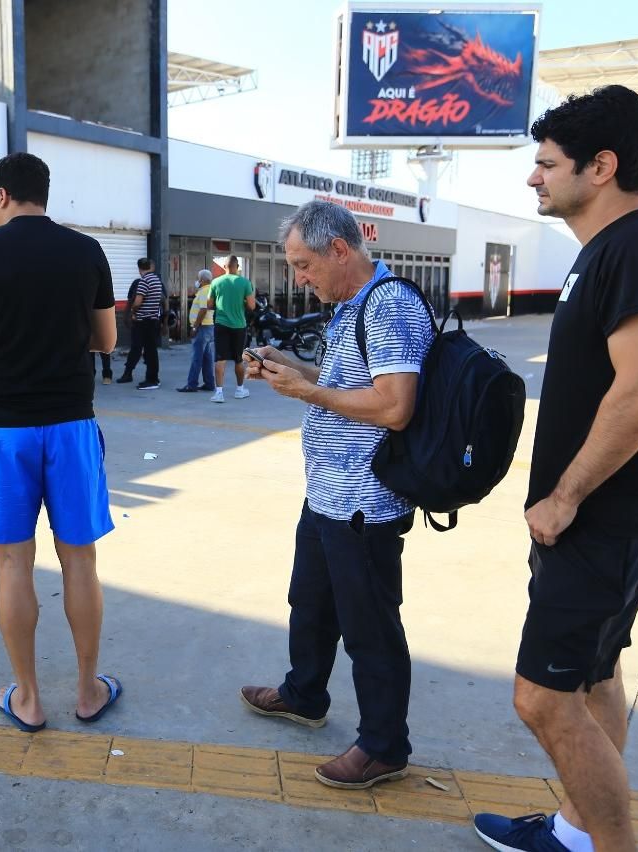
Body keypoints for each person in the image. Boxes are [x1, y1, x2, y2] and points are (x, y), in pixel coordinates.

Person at [473, 86, 638, 852]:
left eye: (546, 164)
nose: (533, 179)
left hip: (603, 518)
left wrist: (566, 497)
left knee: (542, 698)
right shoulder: (605, 254)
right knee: (592, 676)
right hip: (600, 519)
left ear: (601, 167)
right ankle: (579, 832)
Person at [240, 200, 434, 791]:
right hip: (327, 492)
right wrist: (288, 365)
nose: (299, 277)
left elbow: (395, 406)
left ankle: (383, 746)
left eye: (303, 264)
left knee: (370, 627)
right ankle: (304, 693)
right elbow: (345, 386)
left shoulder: (391, 305)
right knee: (311, 602)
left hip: (365, 505)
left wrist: (304, 392)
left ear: (340, 250)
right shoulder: (352, 305)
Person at [0, 152, 120, 732]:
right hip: (71, 424)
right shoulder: (86, 251)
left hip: (3, 428)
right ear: (43, 193)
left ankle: (30, 699)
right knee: (81, 563)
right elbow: (106, 341)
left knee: (13, 564)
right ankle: (89, 691)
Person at [207, 256, 256, 403]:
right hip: (239, 326)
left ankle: (219, 393)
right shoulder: (245, 282)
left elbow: (209, 305)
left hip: (221, 324)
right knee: (238, 359)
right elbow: (252, 306)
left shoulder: (215, 282)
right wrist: (241, 302)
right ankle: (240, 390)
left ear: (224, 266)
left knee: (220, 359)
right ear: (237, 266)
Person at [115, 258, 163, 389]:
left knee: (138, 348)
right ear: (151, 267)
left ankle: (150, 379)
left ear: (139, 268)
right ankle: (152, 377)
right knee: (151, 350)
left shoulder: (144, 281)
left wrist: (132, 311)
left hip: (143, 321)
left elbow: (137, 301)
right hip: (153, 319)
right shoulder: (156, 280)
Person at [176, 269, 216, 392]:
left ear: (203, 280)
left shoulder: (205, 291)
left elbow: (203, 310)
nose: (197, 281)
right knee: (207, 358)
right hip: (208, 327)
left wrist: (195, 327)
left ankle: (191, 384)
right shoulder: (209, 290)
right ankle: (209, 384)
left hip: (202, 328)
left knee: (197, 358)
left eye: (198, 278)